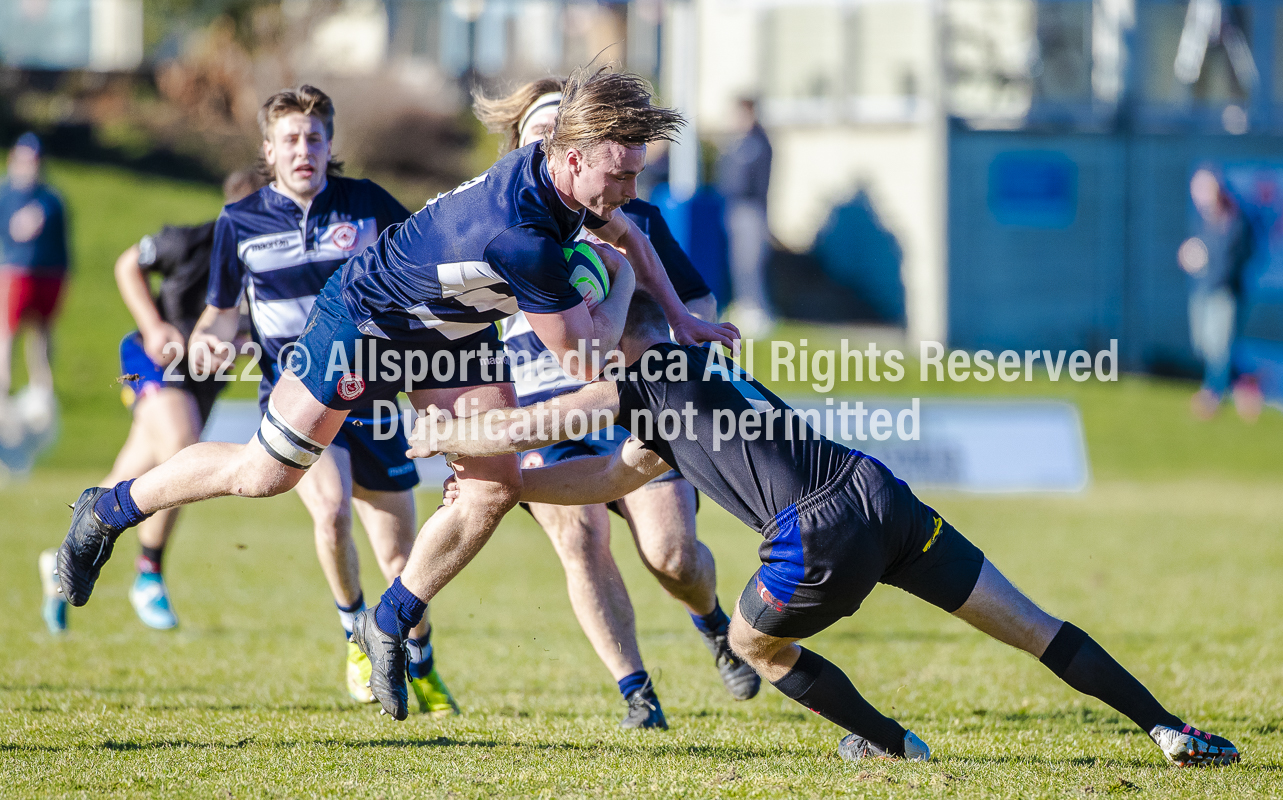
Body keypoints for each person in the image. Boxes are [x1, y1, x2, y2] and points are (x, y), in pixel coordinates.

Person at [54, 67, 739, 722]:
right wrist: (615, 281)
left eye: (634, 174)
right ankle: (108, 510)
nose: (627, 189)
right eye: (619, 174)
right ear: (571, 156)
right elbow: (587, 358)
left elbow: (627, 231)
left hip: (453, 328)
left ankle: (392, 620)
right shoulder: (523, 235)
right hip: (366, 321)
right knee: (263, 473)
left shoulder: (566, 181)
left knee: (492, 488)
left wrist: (679, 317)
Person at [413, 291, 1241, 768]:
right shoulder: (698, 375)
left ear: (614, 344)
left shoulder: (641, 377)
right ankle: (1168, 729)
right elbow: (611, 474)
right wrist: (518, 487)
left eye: (587, 341)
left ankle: (890, 745)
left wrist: (444, 440)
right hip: (879, 493)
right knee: (1032, 627)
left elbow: (529, 427)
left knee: (752, 646)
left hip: (814, 534)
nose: (577, 352)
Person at [473, 78, 758, 729]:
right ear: (525, 148)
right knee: (580, 538)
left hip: (629, 404)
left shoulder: (634, 220)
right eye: (537, 133)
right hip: (546, 410)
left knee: (672, 555)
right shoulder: (495, 225)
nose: (549, 141)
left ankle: (712, 623)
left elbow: (700, 307)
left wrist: (652, 335)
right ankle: (638, 695)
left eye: (559, 130)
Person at [38, 167, 264, 635]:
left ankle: (58, 560)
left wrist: (245, 345)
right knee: (183, 451)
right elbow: (127, 265)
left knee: (134, 475)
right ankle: (149, 571)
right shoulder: (191, 242)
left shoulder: (275, 268)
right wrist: (154, 324)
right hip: (151, 358)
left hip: (199, 381)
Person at [0, 132, 69, 439]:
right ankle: (4, 389)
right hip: (15, 272)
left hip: (48, 273)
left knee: (41, 332)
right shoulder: (6, 195)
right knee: (9, 332)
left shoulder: (51, 199)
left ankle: (43, 391)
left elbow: (63, 243)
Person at [1178, 166, 1258, 421]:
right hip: (1202, 289)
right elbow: (1195, 250)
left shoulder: (1234, 218)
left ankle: (1212, 394)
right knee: (1203, 345)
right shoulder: (1201, 219)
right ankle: (1246, 384)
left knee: (1219, 348)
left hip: (1225, 291)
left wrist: (1215, 269)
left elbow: (1236, 257)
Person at [716, 98, 773, 337]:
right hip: (734, 208)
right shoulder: (737, 143)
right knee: (738, 263)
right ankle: (744, 307)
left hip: (750, 209)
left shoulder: (758, 143)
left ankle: (758, 312)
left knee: (750, 263)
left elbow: (747, 182)